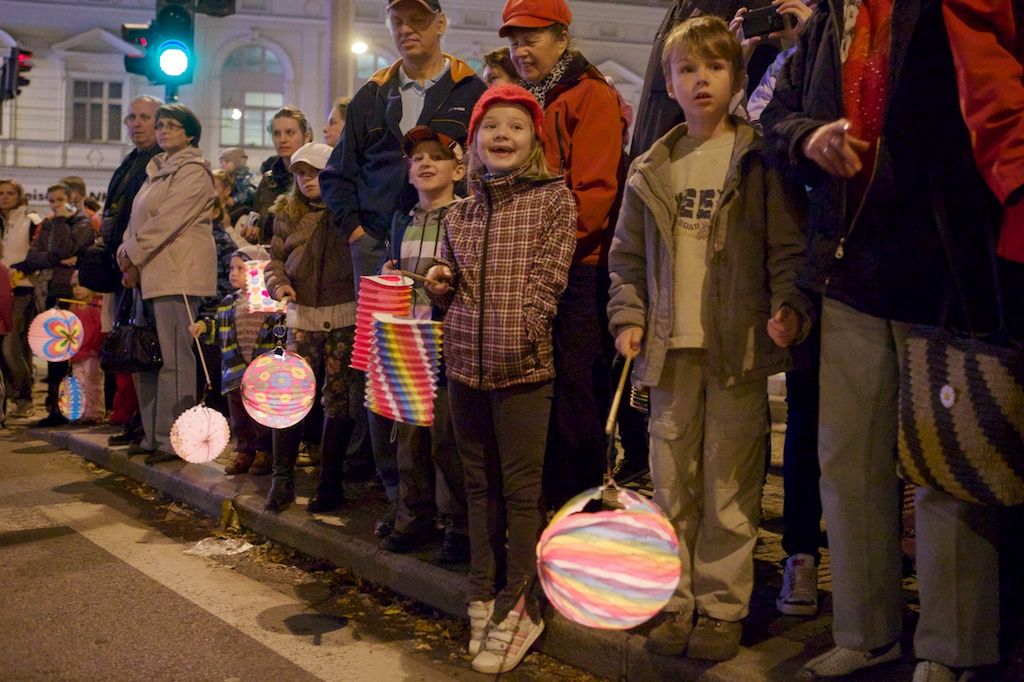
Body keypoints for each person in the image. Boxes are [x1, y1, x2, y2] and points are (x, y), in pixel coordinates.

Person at [761, 1, 1004, 678]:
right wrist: (809, 137)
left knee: (945, 473)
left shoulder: (946, 9)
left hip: (944, 274)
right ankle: (866, 632)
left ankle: (952, 649)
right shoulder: (828, 23)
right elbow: (770, 115)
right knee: (848, 466)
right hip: (852, 272)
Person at [607, 16, 810, 662]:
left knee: (730, 485)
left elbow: (785, 248)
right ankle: (676, 599)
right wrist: (628, 316)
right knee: (672, 484)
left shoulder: (757, 161)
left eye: (715, 69)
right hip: (670, 354)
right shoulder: (653, 166)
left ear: (737, 78)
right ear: (668, 82)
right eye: (688, 69)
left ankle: (722, 607)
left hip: (738, 353)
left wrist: (788, 306)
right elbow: (627, 259)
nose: (701, 81)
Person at [319, 0, 486, 535]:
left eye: (418, 20)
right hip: (382, 248)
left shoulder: (468, 89)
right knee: (383, 376)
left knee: (438, 379)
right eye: (398, 22)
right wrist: (358, 233)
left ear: (441, 24)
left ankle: (448, 511)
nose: (407, 30)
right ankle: (400, 500)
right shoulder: (373, 93)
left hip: (449, 240)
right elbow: (337, 173)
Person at [425, 84, 576, 675]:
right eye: (492, 127)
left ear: (534, 137)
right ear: (475, 143)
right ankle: (481, 595)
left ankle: (521, 605)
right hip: (464, 365)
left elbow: (550, 281)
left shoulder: (552, 200)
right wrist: (440, 284)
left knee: (519, 492)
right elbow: (450, 282)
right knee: (477, 486)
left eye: (515, 126)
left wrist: (522, 333)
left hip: (523, 370)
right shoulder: (459, 211)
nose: (503, 136)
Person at [500, 0, 625, 508]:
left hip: (576, 269)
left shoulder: (591, 96)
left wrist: (544, 253)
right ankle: (543, 501)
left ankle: (584, 503)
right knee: (537, 387)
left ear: (561, 40)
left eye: (531, 38)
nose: (521, 50)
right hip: (530, 268)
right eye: (514, 40)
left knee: (574, 388)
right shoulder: (524, 99)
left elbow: (595, 195)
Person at [377, 125, 468, 563]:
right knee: (409, 439)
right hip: (407, 343)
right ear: (409, 173)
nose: (426, 163)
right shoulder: (402, 221)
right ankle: (413, 515)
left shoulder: (466, 216)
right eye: (418, 159)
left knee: (448, 439)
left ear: (459, 168)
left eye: (437, 156)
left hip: (447, 342)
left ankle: (458, 524)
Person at [263, 142, 361, 513]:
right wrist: (279, 285)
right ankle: (282, 479)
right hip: (301, 316)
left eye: (317, 172)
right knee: (290, 397)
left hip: (341, 315)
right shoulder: (286, 213)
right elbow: (274, 261)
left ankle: (329, 483)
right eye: (301, 173)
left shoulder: (346, 210)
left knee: (337, 398)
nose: (308, 180)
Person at [117, 103, 217, 464]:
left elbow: (167, 220)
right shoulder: (155, 171)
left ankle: (175, 438)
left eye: (173, 126)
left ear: (190, 133)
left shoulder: (193, 171)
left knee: (176, 358)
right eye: (161, 125)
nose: (164, 131)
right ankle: (153, 435)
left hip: (179, 273)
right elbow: (137, 218)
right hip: (151, 271)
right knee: (150, 359)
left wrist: (131, 253)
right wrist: (126, 254)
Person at [102, 96, 163, 445]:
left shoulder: (156, 163)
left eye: (145, 117)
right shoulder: (130, 162)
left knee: (145, 347)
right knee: (129, 345)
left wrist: (134, 260)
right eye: (132, 117)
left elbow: (149, 221)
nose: (137, 123)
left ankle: (146, 423)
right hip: (124, 265)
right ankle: (136, 418)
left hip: (142, 267)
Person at [190, 245, 280, 476]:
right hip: (235, 369)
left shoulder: (270, 303)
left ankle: (265, 451)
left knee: (260, 415)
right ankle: (245, 451)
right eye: (231, 268)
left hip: (262, 372)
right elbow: (218, 328)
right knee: (239, 416)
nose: (233, 273)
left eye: (241, 267)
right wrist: (203, 327)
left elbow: (279, 330)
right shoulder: (228, 303)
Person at [22, 182, 95, 427]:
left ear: (74, 198)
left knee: (72, 356)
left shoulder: (82, 223)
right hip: (51, 291)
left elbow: (65, 247)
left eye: (59, 200)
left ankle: (71, 409)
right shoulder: (50, 224)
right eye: (51, 201)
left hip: (70, 294)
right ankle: (54, 408)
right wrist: (56, 258)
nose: (54, 206)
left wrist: (61, 223)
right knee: (53, 355)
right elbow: (32, 257)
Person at [0, 178, 40, 418]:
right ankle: (14, 398)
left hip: (21, 288)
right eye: (1, 193)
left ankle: (23, 397)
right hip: (0, 286)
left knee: (11, 347)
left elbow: (38, 253)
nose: (4, 197)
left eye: (9, 193)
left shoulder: (31, 220)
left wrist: (22, 268)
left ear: (19, 195)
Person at [246, 106, 314, 244]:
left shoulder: (316, 178)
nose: (282, 139)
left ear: (306, 137)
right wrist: (253, 232)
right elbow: (261, 228)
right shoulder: (268, 180)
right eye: (276, 133)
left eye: (290, 132)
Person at [69, 272, 104, 423]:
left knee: (92, 383)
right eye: (74, 285)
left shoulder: (96, 306)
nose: (77, 289)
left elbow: (99, 330)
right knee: (78, 384)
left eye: (81, 285)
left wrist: (95, 347)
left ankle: (94, 412)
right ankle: (80, 412)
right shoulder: (74, 307)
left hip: (91, 353)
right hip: (77, 353)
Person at [218, 147, 257, 217]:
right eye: (221, 162)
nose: (222, 165)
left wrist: (234, 199)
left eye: (226, 162)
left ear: (236, 163)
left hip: (243, 209)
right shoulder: (228, 176)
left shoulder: (244, 178)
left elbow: (249, 192)